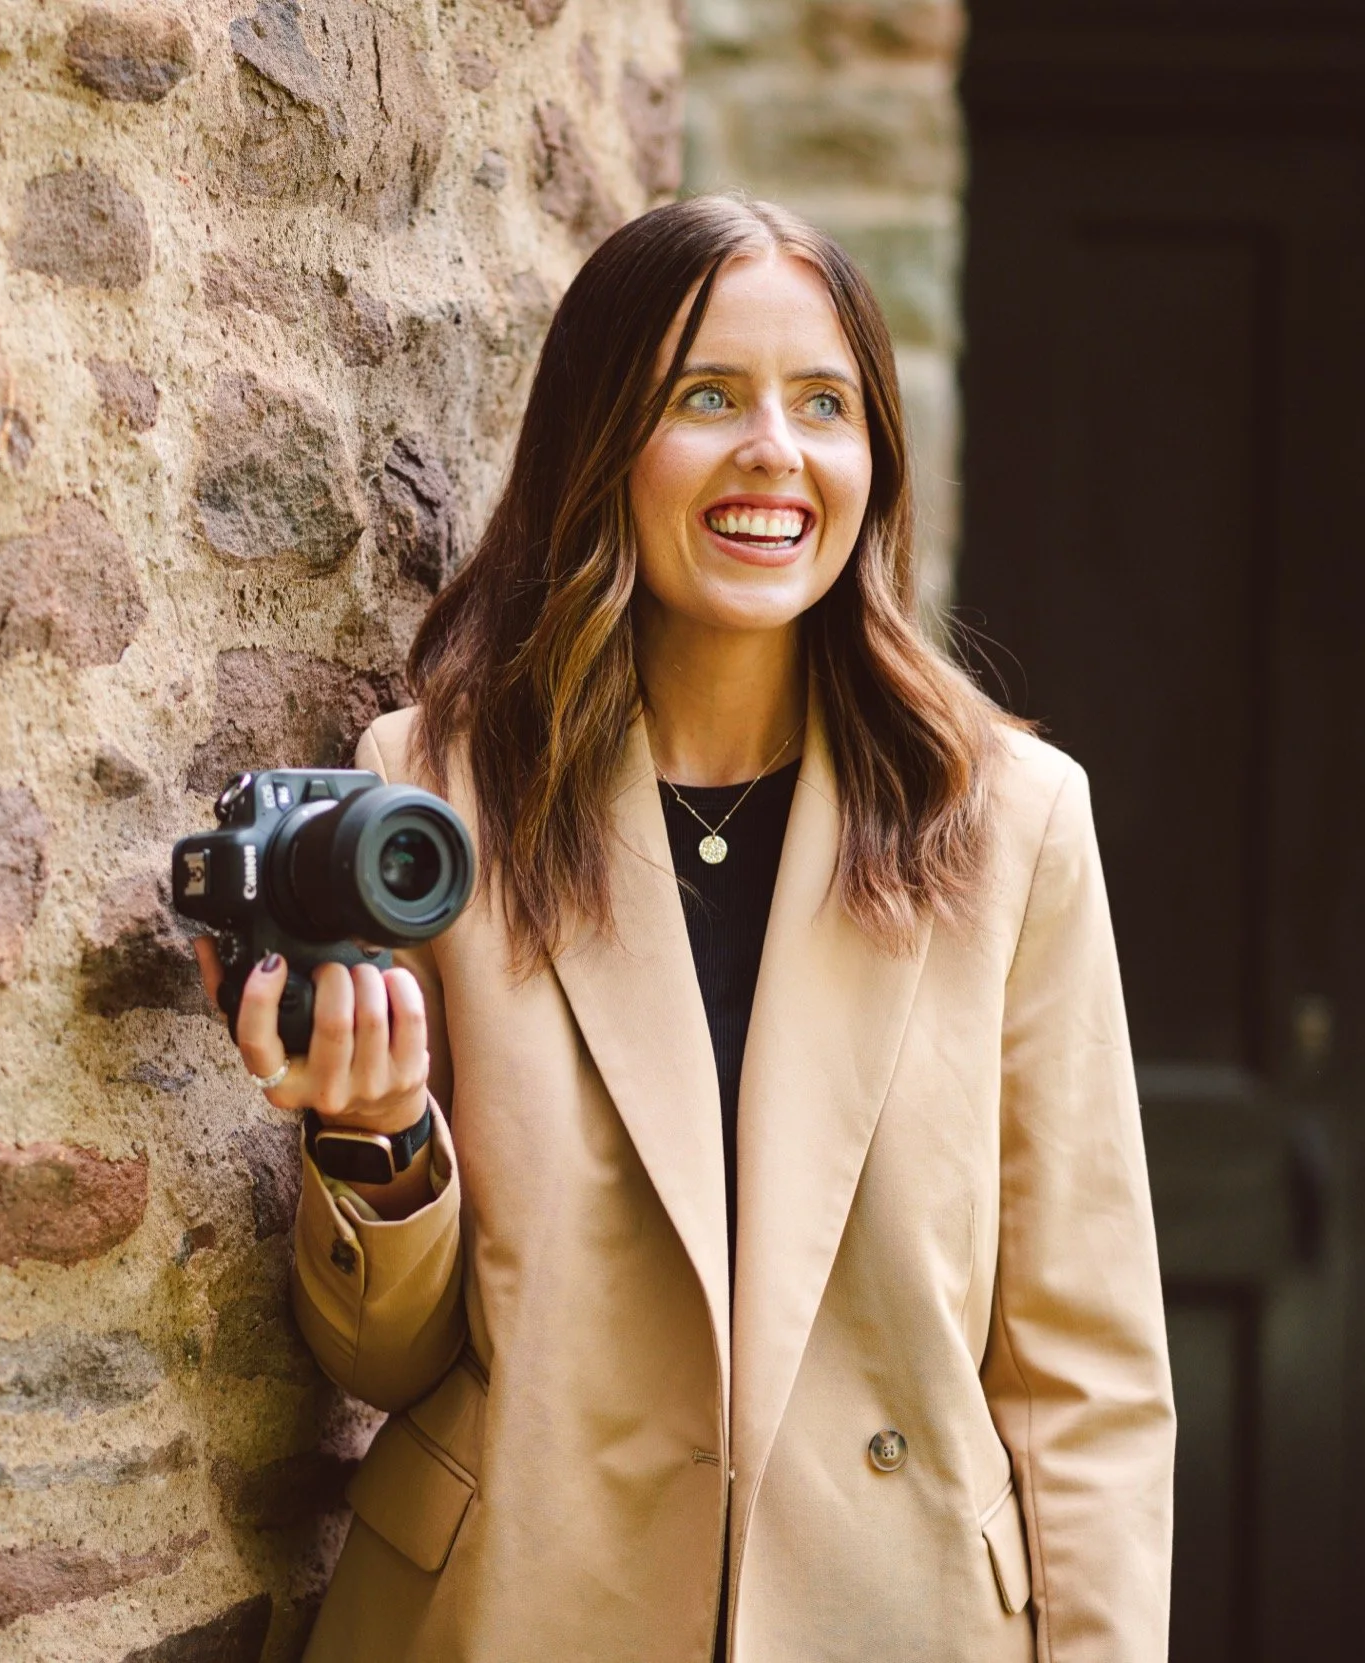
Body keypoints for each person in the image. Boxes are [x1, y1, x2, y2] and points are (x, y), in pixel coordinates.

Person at [193, 194, 1176, 1662]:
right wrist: (379, 1137)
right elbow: (383, 1358)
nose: (775, 448)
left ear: (873, 458)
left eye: (824, 404)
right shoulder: (434, 790)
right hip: (516, 1607)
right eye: (706, 395)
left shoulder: (1010, 820)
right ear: (602, 444)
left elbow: (1084, 1367)